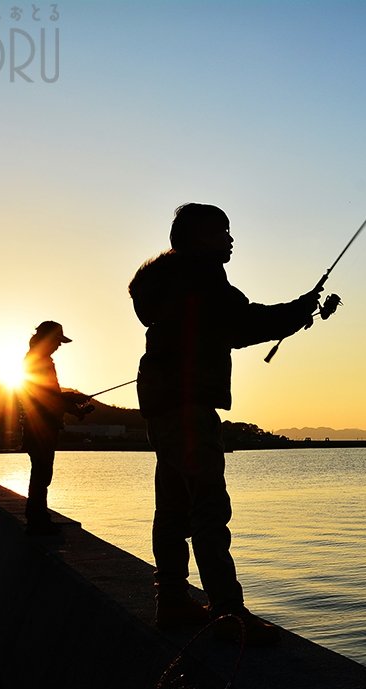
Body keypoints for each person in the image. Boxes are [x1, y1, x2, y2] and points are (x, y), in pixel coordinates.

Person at [129, 203, 319, 643]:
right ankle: (228, 612)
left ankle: (172, 601)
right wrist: (299, 310)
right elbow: (243, 322)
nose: (231, 240)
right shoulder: (200, 274)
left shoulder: (165, 281)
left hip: (161, 403)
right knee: (209, 509)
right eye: (223, 233)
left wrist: (294, 315)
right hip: (189, 405)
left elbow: (229, 329)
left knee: (173, 508)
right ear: (198, 238)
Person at [18, 321, 93, 536]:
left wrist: (74, 407)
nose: (59, 346)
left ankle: (38, 517)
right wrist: (72, 399)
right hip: (40, 427)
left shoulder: (35, 359)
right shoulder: (39, 361)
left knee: (41, 473)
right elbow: (46, 397)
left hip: (39, 425)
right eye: (57, 341)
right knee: (42, 473)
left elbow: (49, 397)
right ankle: (37, 519)